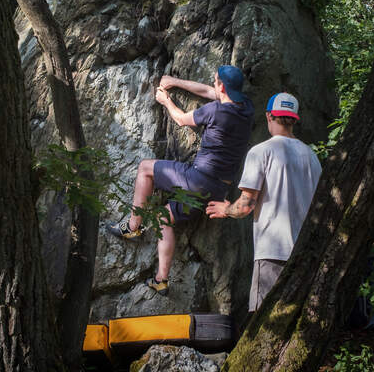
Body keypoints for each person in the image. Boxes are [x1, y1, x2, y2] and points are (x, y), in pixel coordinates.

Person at [106, 66, 254, 295]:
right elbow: (207, 91)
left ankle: (132, 226)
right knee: (161, 217)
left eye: (216, 81)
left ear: (222, 86)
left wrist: (166, 100)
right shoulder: (246, 108)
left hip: (196, 179)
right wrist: (175, 81)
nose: (213, 84)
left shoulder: (216, 111)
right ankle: (161, 280)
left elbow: (182, 120)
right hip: (217, 191)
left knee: (145, 168)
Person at [206, 92, 322, 311]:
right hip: (306, 253)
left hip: (274, 252)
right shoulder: (311, 156)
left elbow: (245, 206)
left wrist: (225, 208)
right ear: (294, 119)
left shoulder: (261, 152)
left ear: (269, 116)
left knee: (264, 318)